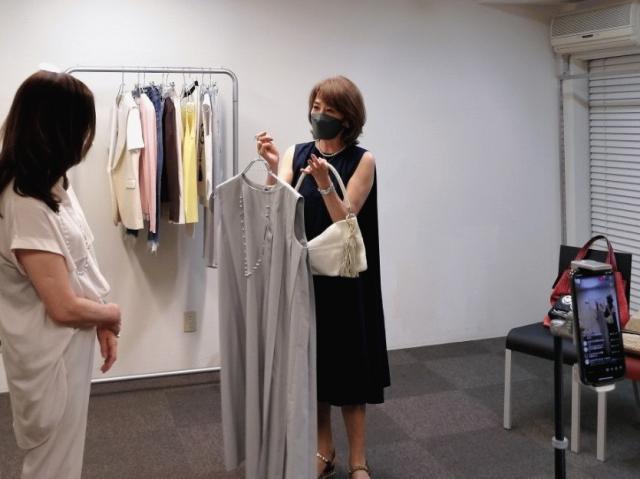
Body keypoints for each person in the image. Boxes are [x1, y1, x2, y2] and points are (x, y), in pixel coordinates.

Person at [257, 76, 390, 479]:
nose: (320, 115)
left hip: (346, 280)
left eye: (330, 110)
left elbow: (346, 220)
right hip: (306, 276)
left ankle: (358, 460)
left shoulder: (362, 160)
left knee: (350, 371)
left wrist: (325, 185)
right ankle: (324, 450)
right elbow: (277, 204)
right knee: (315, 367)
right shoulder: (296, 153)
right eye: (316, 107)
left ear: (348, 118)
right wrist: (272, 166)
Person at [0, 70, 121, 479]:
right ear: (59, 129)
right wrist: (111, 315)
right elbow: (63, 307)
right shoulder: (25, 203)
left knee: (63, 459)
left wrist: (100, 318)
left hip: (68, 344)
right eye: (83, 126)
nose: (87, 138)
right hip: (51, 354)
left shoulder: (51, 184)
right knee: (51, 466)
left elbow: (79, 261)